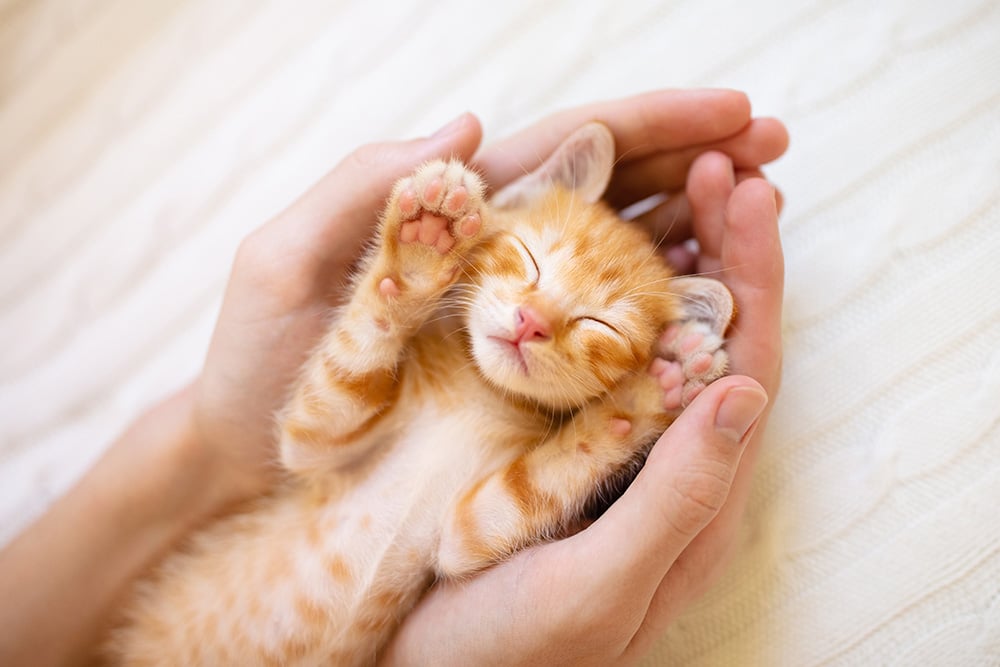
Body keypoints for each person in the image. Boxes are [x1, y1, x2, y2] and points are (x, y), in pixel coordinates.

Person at [0, 89, 787, 666]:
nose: (532, 318)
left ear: (633, 369)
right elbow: (310, 440)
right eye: (524, 261)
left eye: (601, 330)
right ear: (501, 216)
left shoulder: (528, 434)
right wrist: (393, 297)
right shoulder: (430, 358)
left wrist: (618, 427)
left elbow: (461, 541)